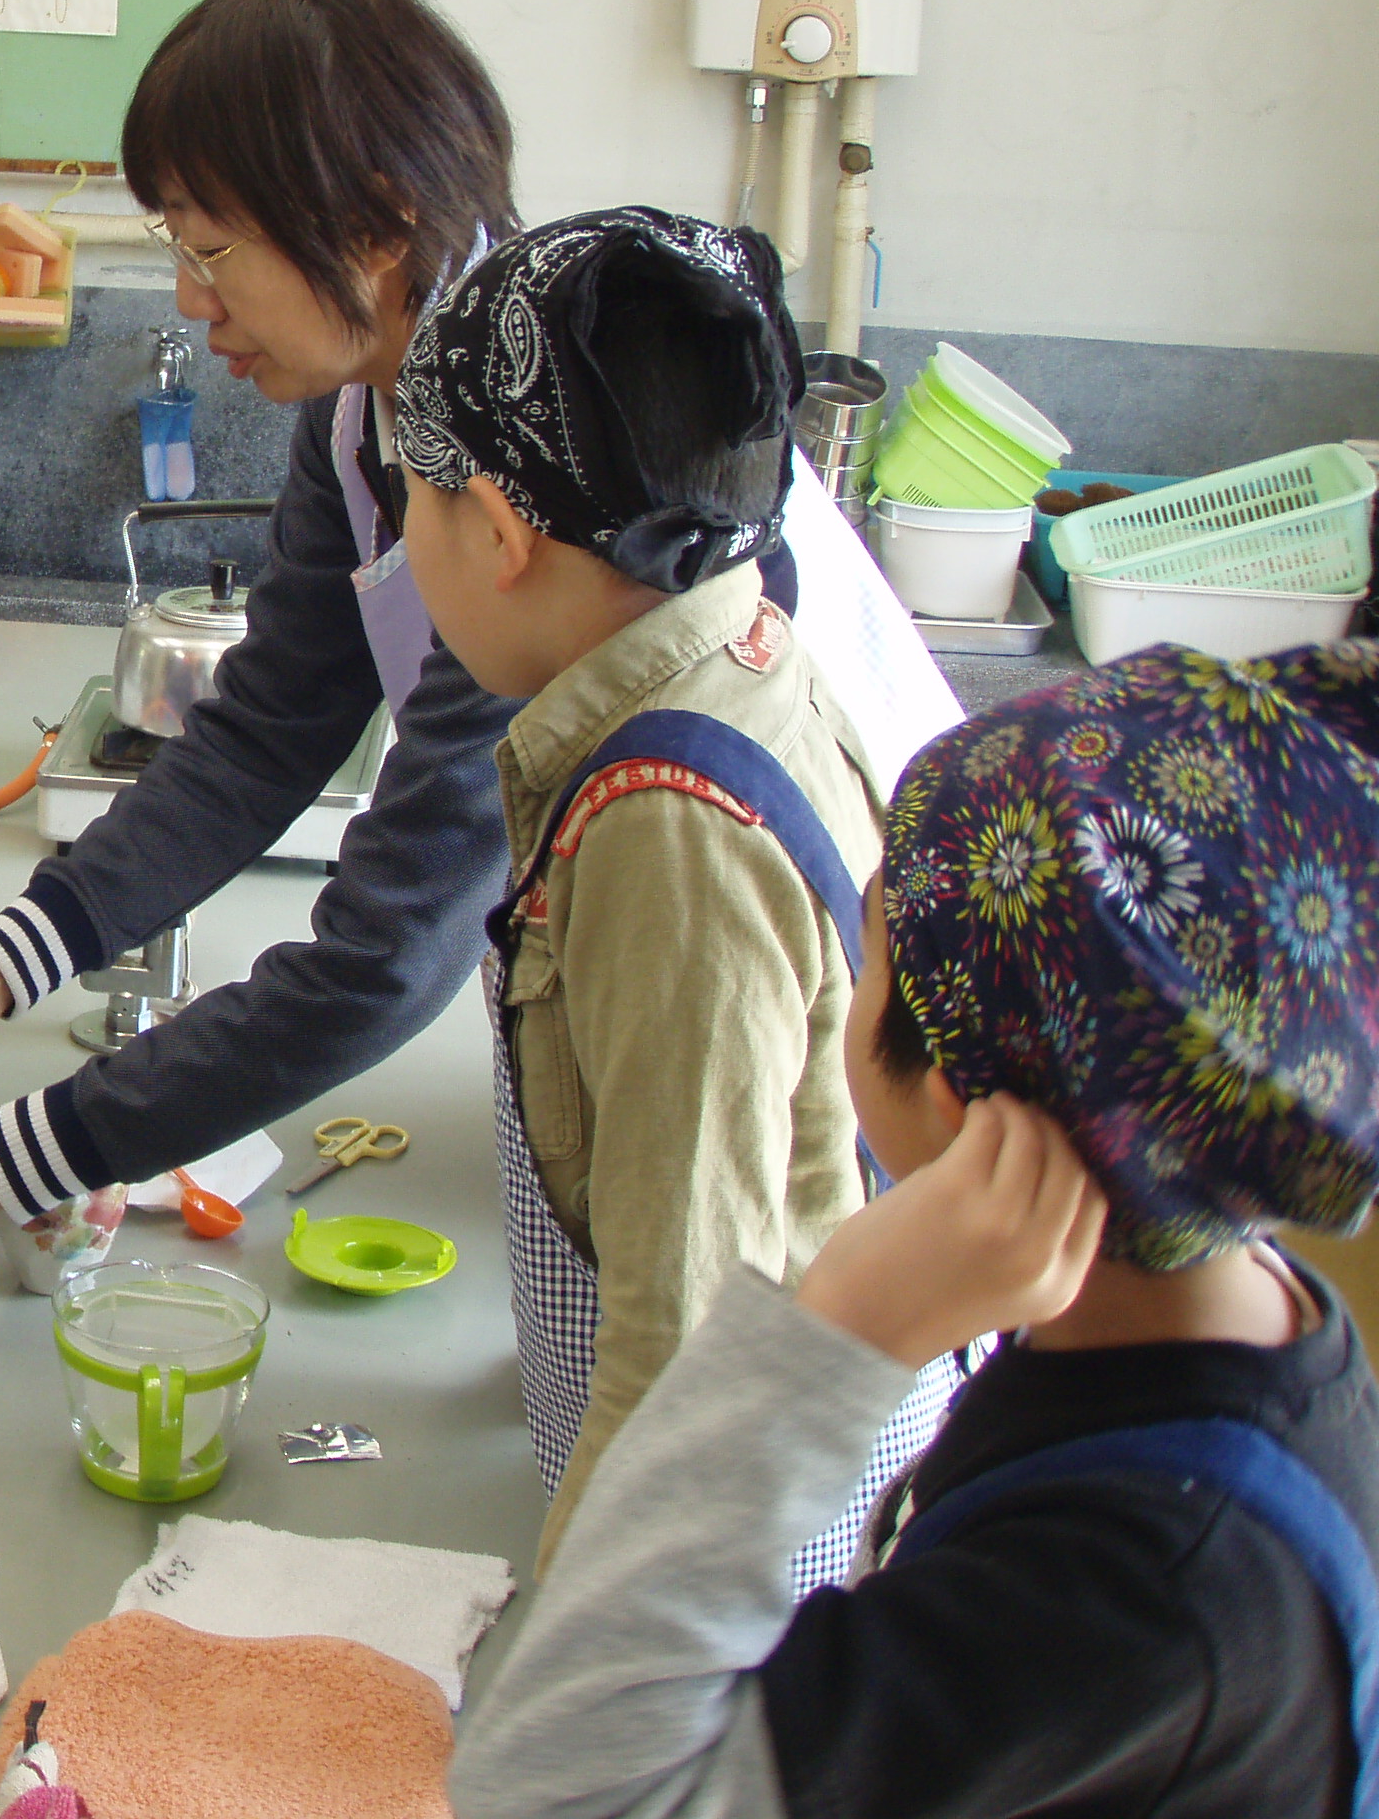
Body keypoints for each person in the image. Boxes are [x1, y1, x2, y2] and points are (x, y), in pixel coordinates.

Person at [0, 0, 957, 1278]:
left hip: (850, 1053)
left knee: (720, 1315)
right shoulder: (372, 411)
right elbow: (267, 730)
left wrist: (2, 1160)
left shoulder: (546, 481)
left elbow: (384, 956)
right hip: (622, 982)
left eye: (211, 248)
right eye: (175, 247)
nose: (189, 298)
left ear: (377, 227)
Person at [452, 640, 1379, 1819]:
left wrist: (841, 1331)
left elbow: (547, 1784)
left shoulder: (1139, 1594)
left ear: (953, 1098)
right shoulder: (1217, 1303)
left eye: (870, 946)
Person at [389, 206, 955, 1584]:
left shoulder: (668, 832)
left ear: (500, 531)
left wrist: (578, 1663)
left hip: (741, 1536)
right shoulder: (736, 648)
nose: (405, 541)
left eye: (415, 498)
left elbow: (687, 1354)